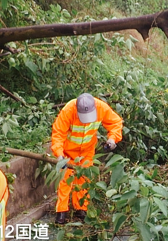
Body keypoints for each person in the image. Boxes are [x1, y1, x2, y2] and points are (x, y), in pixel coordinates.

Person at [50, 93, 123, 224]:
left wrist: (112, 139)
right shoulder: (68, 110)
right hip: (67, 152)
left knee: (84, 179)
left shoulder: (101, 107)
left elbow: (115, 122)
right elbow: (58, 134)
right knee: (65, 179)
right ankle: (61, 212)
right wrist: (59, 154)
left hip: (87, 151)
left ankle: (81, 209)